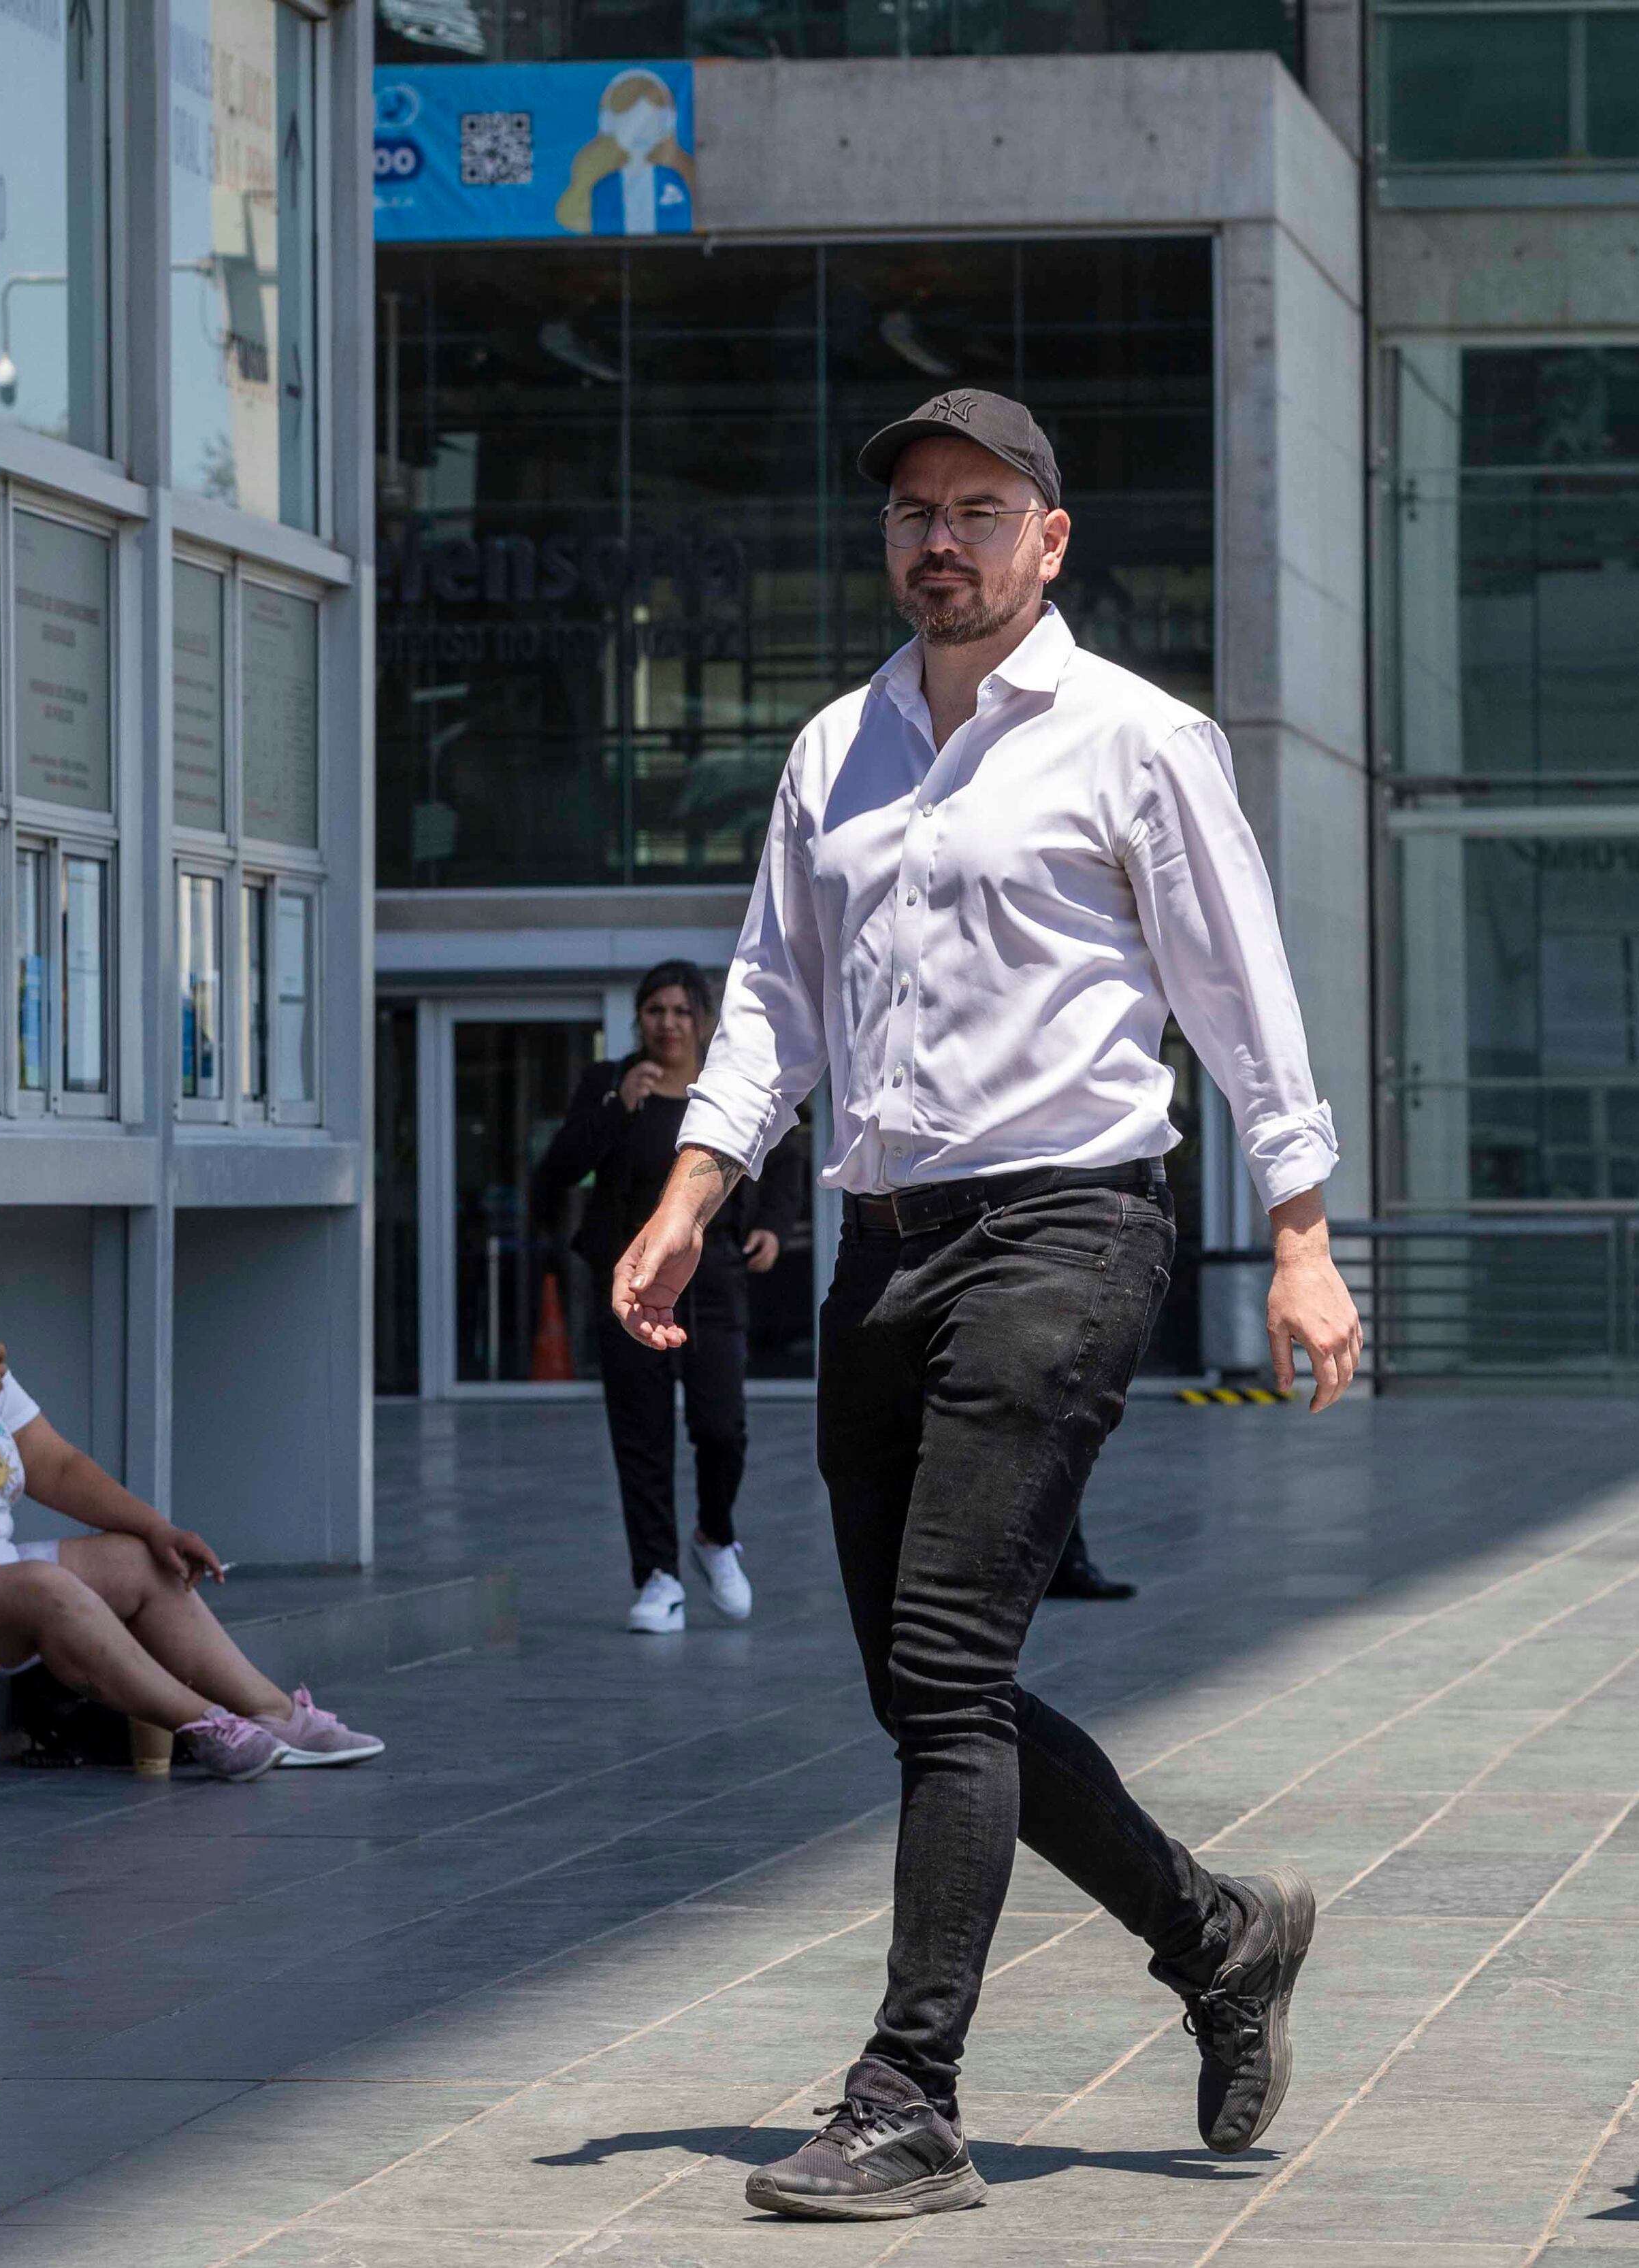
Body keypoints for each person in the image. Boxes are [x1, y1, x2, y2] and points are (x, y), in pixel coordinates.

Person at [611, 389, 1364, 2220]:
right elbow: (774, 1000)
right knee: (925, 1685)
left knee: (947, 1668)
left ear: (1050, 537)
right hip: (883, 1241)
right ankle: (1217, 1932)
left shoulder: (1137, 738)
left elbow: (1239, 988)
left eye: (979, 507)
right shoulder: (834, 751)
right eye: (915, 512)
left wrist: (1303, 1229)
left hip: (1069, 1225)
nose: (939, 537)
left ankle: (909, 2091)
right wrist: (690, 1195)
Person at [0, 1231, 385, 1782]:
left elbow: (55, 1467)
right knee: (40, 1586)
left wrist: (158, 1527)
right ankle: (209, 1727)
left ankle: (278, 1714)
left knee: (138, 1560)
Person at [534, 962, 795, 1632]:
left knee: (720, 1427)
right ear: (639, 1019)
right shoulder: (610, 1084)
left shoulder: (723, 1087)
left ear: (702, 1020)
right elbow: (558, 1170)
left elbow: (782, 1150)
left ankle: (714, 1536)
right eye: (656, 1010)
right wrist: (617, 1107)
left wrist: (771, 1224)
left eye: (682, 1011)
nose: (669, 1023)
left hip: (713, 1285)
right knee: (641, 1436)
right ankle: (657, 1576)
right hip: (629, 1287)